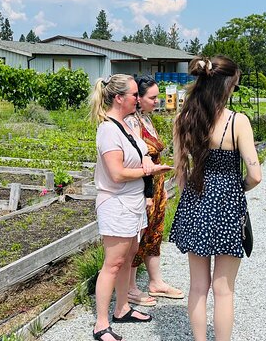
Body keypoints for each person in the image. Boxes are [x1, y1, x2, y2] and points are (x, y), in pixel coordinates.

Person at [170, 56, 262, 341]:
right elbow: (255, 174)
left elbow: (180, 172)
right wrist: (238, 188)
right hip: (227, 206)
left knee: (198, 286)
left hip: (195, 202)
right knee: (224, 289)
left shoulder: (183, 118)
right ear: (228, 85)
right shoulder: (237, 122)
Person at [89, 74, 172, 341]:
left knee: (128, 256)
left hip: (132, 202)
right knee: (112, 264)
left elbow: (141, 157)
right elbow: (116, 173)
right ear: (119, 98)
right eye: (135, 94)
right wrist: (149, 170)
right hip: (116, 204)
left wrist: (147, 165)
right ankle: (101, 324)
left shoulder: (126, 125)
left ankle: (122, 308)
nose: (138, 99)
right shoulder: (108, 130)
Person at [124, 75, 184, 307]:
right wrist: (148, 194)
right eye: (153, 97)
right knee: (137, 237)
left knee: (155, 233)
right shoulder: (131, 123)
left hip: (156, 187)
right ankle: (129, 287)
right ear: (138, 99)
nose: (157, 101)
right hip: (143, 189)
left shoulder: (146, 120)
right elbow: (138, 160)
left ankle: (155, 281)